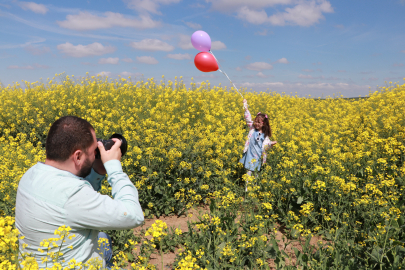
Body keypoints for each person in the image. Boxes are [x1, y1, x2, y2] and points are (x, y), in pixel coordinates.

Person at [15, 116, 144, 268]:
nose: (95, 153)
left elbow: (74, 206)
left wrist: (97, 171)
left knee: (102, 237)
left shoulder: (30, 175)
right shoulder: (72, 194)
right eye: (92, 151)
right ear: (77, 156)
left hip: (38, 263)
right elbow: (133, 215)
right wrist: (114, 167)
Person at [240, 99, 277, 191]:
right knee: (248, 171)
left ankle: (255, 188)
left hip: (257, 156)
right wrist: (246, 107)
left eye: (259, 122)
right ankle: (247, 189)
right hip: (250, 154)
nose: (256, 123)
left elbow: (266, 144)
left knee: (255, 173)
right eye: (255, 121)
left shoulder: (265, 135)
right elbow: (248, 119)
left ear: (264, 124)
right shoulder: (252, 129)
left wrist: (271, 143)